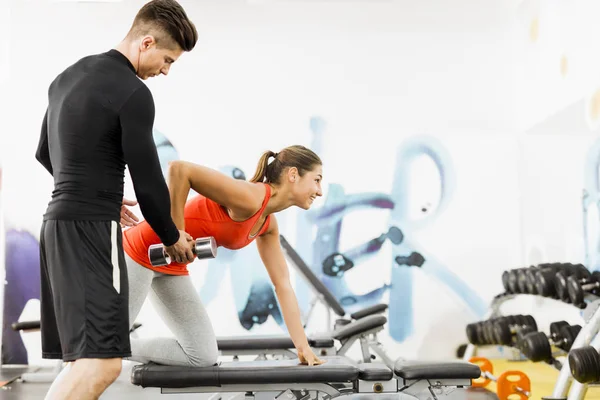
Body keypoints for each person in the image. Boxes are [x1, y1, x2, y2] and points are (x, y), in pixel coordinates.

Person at [34, 1, 198, 399]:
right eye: (167, 59)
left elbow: (43, 152)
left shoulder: (66, 78)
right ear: (146, 42)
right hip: (91, 230)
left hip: (56, 225)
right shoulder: (133, 93)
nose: (165, 70)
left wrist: (90, 187)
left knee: (83, 360)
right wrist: (171, 235)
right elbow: (148, 179)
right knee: (104, 360)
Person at [121, 145, 326, 367]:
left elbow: (283, 285)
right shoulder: (250, 197)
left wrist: (302, 347)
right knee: (106, 345)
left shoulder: (268, 224)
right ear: (293, 174)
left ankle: (117, 345)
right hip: (137, 250)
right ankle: (107, 344)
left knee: (202, 355)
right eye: (316, 180)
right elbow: (179, 170)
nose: (320, 190)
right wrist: (176, 234)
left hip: (170, 265)